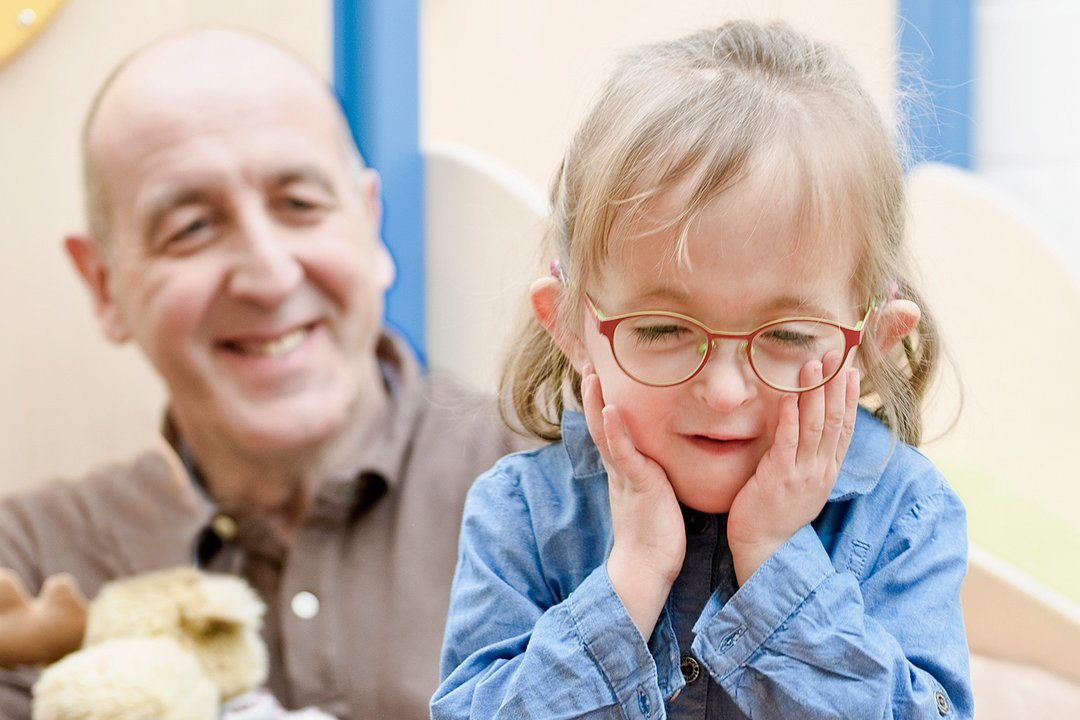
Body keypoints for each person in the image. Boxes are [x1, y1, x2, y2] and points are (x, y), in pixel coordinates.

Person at [433, 20, 973, 719]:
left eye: (786, 334)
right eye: (662, 328)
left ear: (869, 343)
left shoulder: (907, 514)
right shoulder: (520, 515)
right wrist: (630, 580)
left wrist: (778, 561)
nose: (722, 393)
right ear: (571, 326)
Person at [0, 27, 521, 719]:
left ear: (369, 226)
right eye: (190, 227)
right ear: (103, 284)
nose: (269, 275)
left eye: (299, 204)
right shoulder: (29, 567)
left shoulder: (567, 486)